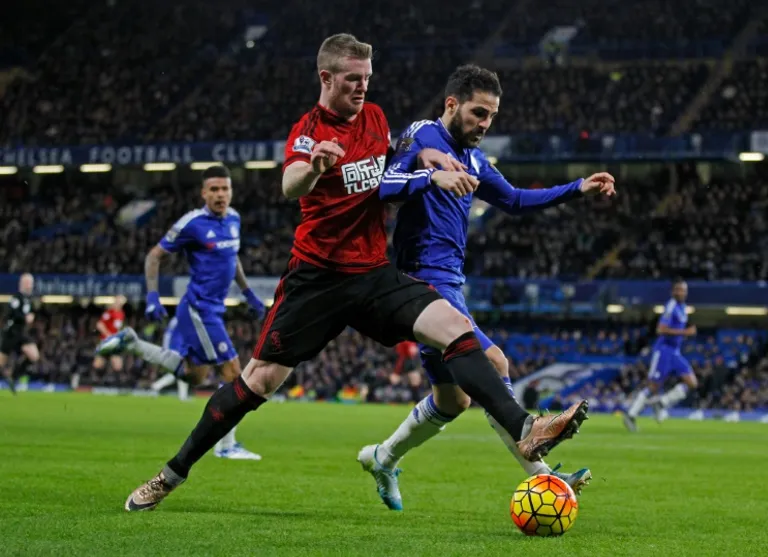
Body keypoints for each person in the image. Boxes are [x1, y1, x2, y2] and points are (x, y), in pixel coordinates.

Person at [123, 33, 589, 512]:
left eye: (367, 77)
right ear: (326, 78)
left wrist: (422, 159)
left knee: (455, 327)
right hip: (317, 278)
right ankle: (170, 474)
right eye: (352, 79)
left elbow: (389, 172)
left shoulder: (375, 118)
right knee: (258, 382)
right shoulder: (309, 130)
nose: (362, 86)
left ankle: (526, 427)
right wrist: (314, 168)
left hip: (371, 273)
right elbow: (290, 184)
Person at [357, 64, 614, 510]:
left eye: (492, 116)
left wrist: (577, 188)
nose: (485, 123)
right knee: (495, 361)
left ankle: (382, 457)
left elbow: (514, 199)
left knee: (452, 400)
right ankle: (544, 475)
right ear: (451, 104)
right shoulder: (423, 135)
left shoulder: (475, 159)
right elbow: (387, 187)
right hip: (422, 280)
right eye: (478, 113)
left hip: (451, 282)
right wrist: (430, 174)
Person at [97, 164, 264, 460]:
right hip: (199, 310)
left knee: (194, 376)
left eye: (225, 189)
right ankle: (227, 446)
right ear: (203, 193)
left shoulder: (234, 219)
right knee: (233, 373)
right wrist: (152, 296)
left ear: (231, 191)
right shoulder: (192, 223)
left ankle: (133, 344)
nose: (220, 194)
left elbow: (232, 257)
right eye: (214, 189)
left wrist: (248, 291)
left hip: (213, 309)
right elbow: (154, 256)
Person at [623, 278, 697, 431]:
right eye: (679, 290)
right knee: (653, 386)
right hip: (663, 350)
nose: (682, 293)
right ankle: (630, 415)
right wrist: (685, 332)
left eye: (684, 290)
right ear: (673, 291)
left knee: (692, 383)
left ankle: (661, 403)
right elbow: (661, 329)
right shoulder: (671, 306)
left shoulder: (683, 307)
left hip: (675, 352)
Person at [0, 273, 39, 395]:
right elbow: (11, 313)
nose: (30, 285)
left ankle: (13, 376)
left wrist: (31, 316)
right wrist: (24, 317)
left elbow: (29, 314)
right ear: (22, 283)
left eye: (31, 282)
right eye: (28, 282)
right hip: (11, 333)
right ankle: (10, 376)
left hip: (21, 333)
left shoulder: (29, 299)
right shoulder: (16, 298)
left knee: (34, 356)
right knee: (1, 362)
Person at [79, 295, 128, 390]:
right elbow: (99, 325)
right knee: (99, 364)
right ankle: (87, 381)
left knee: (116, 364)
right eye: (118, 301)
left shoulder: (121, 314)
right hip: (106, 341)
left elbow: (116, 328)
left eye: (121, 302)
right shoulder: (109, 312)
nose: (119, 304)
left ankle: (116, 385)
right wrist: (108, 334)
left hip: (114, 342)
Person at [149, 317, 190, 401]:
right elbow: (167, 334)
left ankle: (182, 396)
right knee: (181, 372)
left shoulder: (185, 318)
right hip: (174, 349)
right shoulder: (176, 319)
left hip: (181, 349)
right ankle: (156, 386)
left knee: (182, 372)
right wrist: (166, 348)